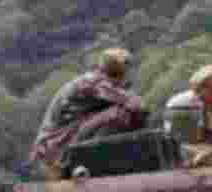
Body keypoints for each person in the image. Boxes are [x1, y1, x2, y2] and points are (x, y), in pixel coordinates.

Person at [27, 48, 147, 179]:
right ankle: (93, 165)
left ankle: (95, 163)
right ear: (120, 71)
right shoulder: (94, 83)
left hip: (56, 147)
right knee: (121, 114)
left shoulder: (96, 81)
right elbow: (138, 106)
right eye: (127, 69)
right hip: (53, 152)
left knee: (123, 113)